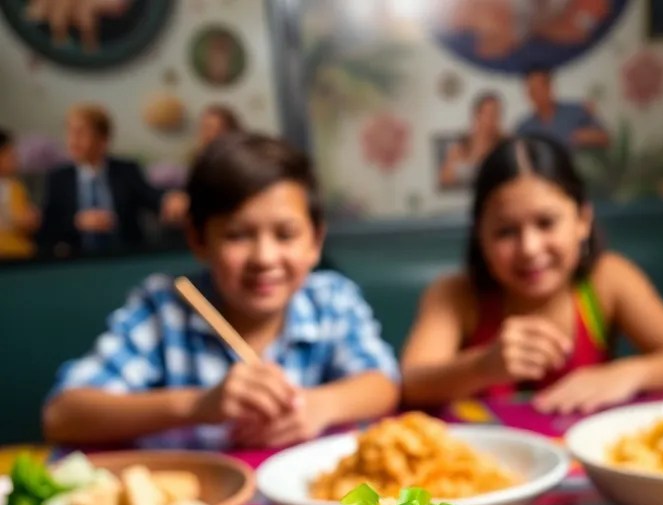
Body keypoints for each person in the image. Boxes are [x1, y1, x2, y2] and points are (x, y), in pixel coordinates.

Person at [42, 133, 399, 449]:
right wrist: (199, 406)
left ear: (315, 240)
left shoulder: (331, 300)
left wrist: (319, 407)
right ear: (199, 239)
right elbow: (63, 414)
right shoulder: (164, 308)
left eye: (286, 235)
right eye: (237, 235)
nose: (264, 257)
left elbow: (382, 383)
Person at [400, 135, 663, 414]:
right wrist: (484, 366)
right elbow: (411, 383)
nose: (530, 248)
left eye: (546, 223)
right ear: (479, 235)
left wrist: (626, 374)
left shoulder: (609, 279)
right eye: (505, 231)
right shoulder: (455, 294)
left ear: (582, 221)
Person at [39, 104, 186, 257]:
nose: (73, 140)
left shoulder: (126, 170)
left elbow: (150, 196)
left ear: (103, 139)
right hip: (76, 261)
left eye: (81, 132)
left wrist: (168, 199)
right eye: (70, 132)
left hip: (124, 257)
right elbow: (47, 227)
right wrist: (77, 222)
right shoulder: (59, 178)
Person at [516, 69, 609, 150]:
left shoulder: (577, 110)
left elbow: (606, 139)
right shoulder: (524, 128)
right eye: (532, 91)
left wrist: (588, 137)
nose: (536, 95)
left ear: (549, 88)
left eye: (539, 88)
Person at [439, 92, 504, 189]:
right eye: (489, 113)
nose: (493, 119)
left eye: (496, 113)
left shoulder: (506, 145)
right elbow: (444, 179)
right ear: (477, 115)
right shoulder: (461, 146)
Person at [0, 130, 40, 260]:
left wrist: (30, 219)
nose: (16, 159)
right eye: (10, 155)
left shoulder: (15, 187)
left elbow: (24, 219)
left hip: (19, 253)